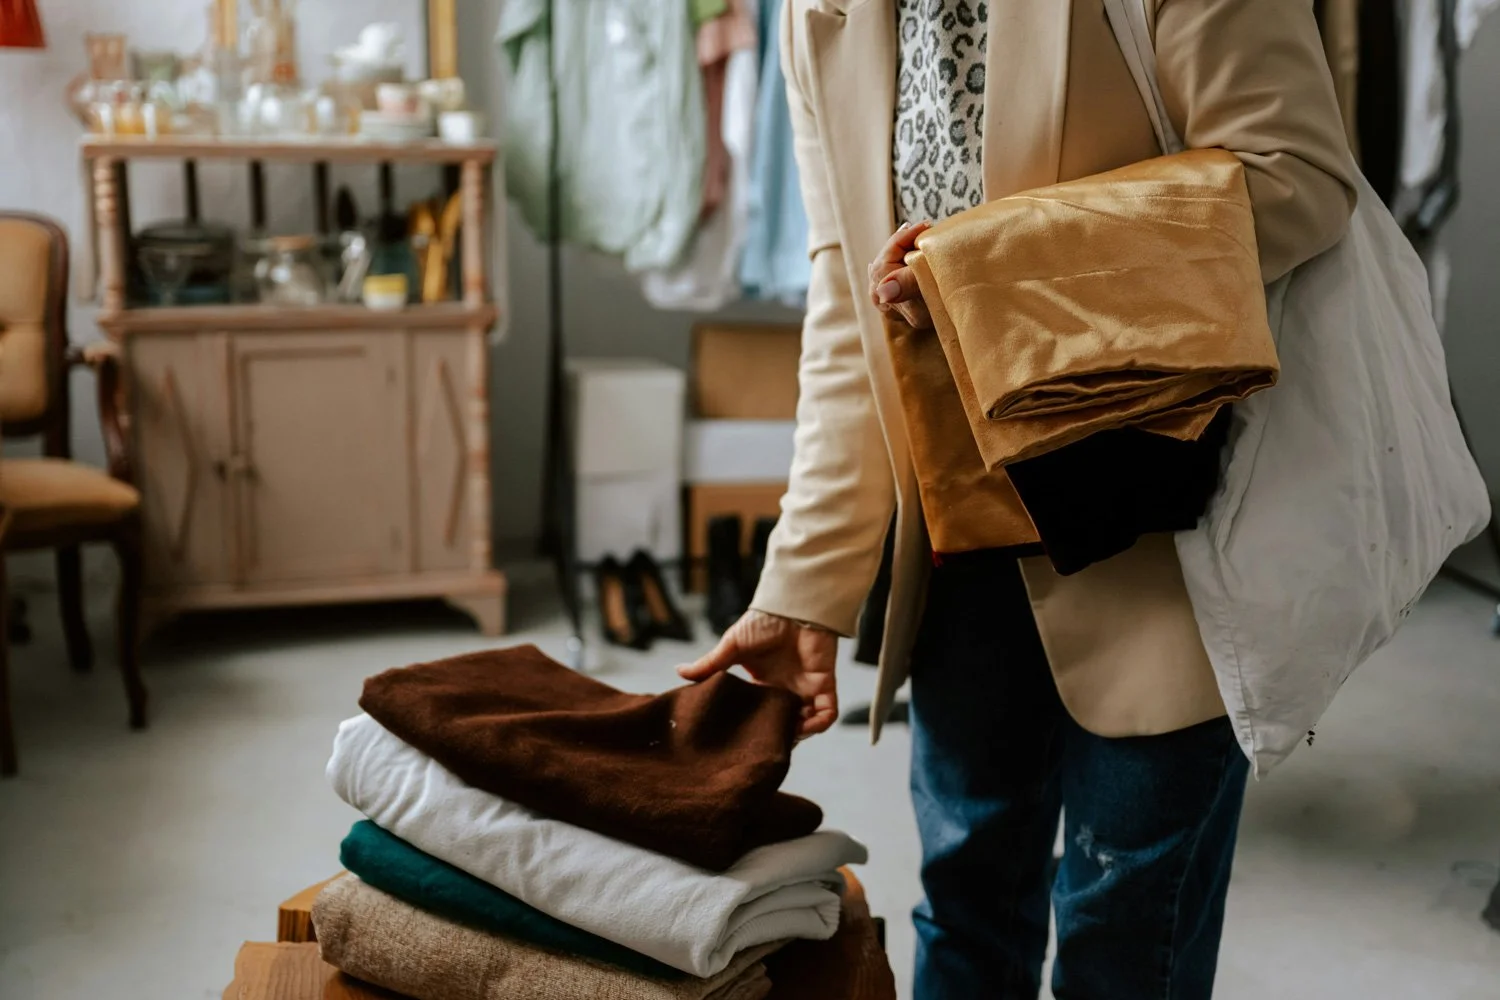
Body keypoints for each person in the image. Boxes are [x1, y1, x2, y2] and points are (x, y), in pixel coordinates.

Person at [681, 0, 1357, 996]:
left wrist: (985, 272)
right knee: (964, 905)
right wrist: (805, 581)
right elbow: (849, 301)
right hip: (961, 532)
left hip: (1163, 525)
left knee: (1127, 929)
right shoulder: (821, 14)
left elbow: (1298, 180)